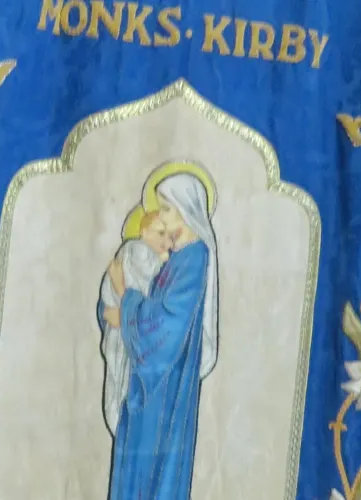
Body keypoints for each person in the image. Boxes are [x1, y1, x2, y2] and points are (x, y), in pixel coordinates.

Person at [101, 172, 219, 500]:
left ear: (185, 208)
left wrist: (123, 295)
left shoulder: (194, 257)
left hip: (164, 386)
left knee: (151, 474)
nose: (162, 216)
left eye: (167, 208)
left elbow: (168, 324)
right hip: (148, 383)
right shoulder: (175, 258)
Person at [98, 210, 172, 436]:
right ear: (144, 232)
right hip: (124, 333)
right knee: (121, 381)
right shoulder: (136, 250)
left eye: (169, 236)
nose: (166, 241)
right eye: (160, 233)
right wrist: (162, 261)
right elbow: (144, 282)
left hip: (130, 327)